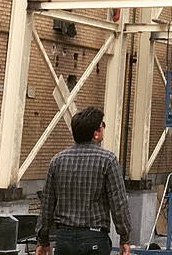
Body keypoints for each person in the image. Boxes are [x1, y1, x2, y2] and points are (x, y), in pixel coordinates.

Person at [36, 107, 132, 255]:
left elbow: (47, 204)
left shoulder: (57, 161)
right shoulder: (108, 160)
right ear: (96, 133)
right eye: (102, 125)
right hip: (94, 238)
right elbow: (118, 203)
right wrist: (124, 237)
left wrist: (43, 240)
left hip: (64, 239)